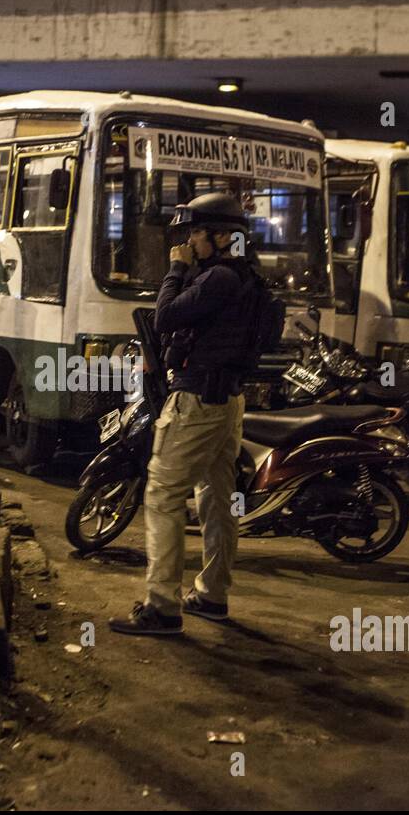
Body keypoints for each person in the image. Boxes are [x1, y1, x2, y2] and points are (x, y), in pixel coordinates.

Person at [109, 192, 259, 635]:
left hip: (197, 402)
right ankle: (211, 594)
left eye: (196, 232)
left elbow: (165, 317)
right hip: (228, 402)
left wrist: (175, 270)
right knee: (215, 497)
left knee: (162, 494)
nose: (189, 241)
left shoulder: (217, 280)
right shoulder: (246, 276)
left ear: (220, 235)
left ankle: (162, 607)